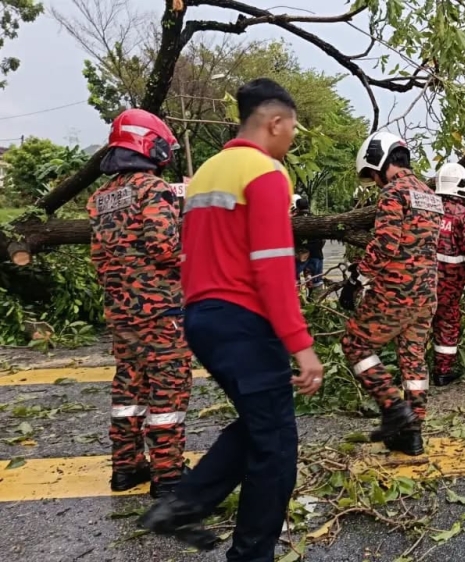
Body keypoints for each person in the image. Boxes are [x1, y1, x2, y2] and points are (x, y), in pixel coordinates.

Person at [139, 78, 324, 559]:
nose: (293, 138)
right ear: (274, 122)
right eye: (292, 128)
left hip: (200, 317)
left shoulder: (206, 173)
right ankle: (246, 552)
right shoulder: (263, 172)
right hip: (243, 320)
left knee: (260, 425)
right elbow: (273, 264)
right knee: (277, 448)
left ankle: (183, 504)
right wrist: (300, 343)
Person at [87, 108, 191, 500]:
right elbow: (165, 248)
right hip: (160, 312)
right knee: (168, 389)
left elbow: (99, 256)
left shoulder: (101, 198)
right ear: (149, 144)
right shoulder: (152, 189)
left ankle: (126, 467)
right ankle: (169, 476)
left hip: (121, 310)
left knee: (129, 387)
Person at [338, 131, 443, 456]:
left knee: (355, 344)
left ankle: (394, 408)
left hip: (397, 290)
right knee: (413, 359)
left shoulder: (394, 193)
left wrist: (357, 279)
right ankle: (412, 434)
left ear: (379, 162)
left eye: (372, 175)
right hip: (427, 291)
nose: (376, 182)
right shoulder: (429, 194)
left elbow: (386, 245)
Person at [431, 163, 465, 387]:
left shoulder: (425, 210)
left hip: (420, 279)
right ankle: (442, 371)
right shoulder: (464, 216)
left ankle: (411, 370)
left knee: (418, 322)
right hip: (450, 282)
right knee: (447, 321)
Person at [292, 195, 325, 294]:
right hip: (316, 255)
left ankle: (298, 304)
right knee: (316, 283)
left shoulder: (294, 221)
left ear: (297, 207)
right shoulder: (316, 219)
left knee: (295, 281)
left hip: (299, 257)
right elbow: (323, 239)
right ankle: (316, 305)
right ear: (308, 206)